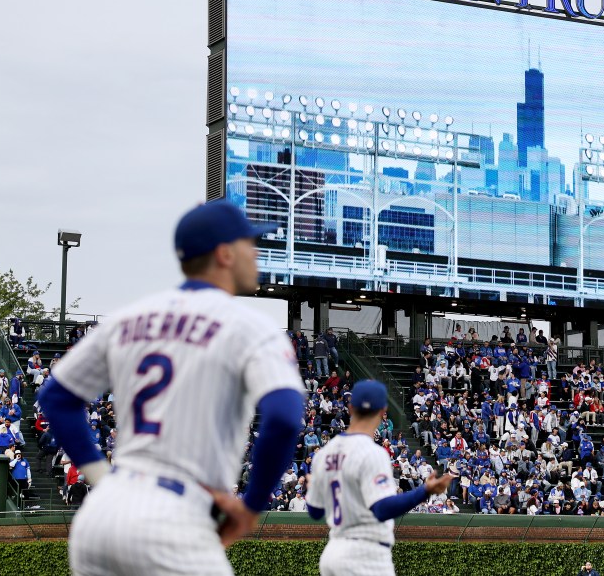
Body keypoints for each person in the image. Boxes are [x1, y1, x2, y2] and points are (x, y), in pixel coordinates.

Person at [38, 199, 306, 576]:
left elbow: (55, 397)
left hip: (102, 514)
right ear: (225, 254)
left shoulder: (131, 316)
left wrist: (99, 475)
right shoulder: (250, 326)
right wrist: (252, 506)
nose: (256, 253)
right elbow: (283, 419)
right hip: (174, 519)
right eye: (250, 244)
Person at [307, 379, 454, 576]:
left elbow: (315, 512)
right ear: (383, 410)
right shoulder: (372, 452)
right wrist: (424, 491)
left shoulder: (325, 454)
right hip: (366, 555)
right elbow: (382, 509)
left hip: (333, 554)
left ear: (350, 408)